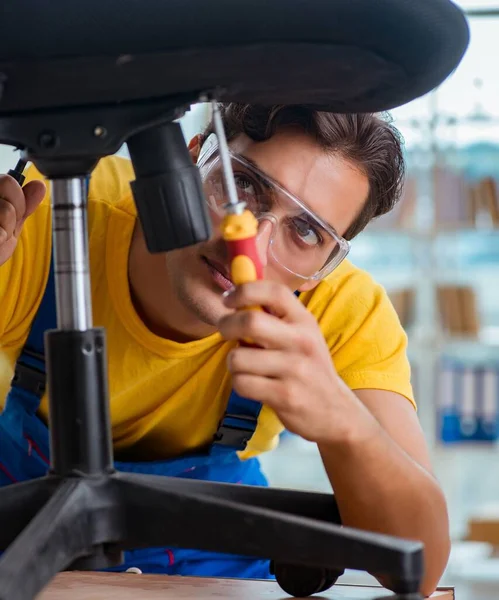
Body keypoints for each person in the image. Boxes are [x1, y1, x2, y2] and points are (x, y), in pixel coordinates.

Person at [0, 104, 449, 594]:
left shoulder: (339, 311)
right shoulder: (47, 215)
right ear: (193, 158)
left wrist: (347, 425)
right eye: (244, 186)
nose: (249, 247)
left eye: (305, 231)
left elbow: (421, 568)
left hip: (206, 557)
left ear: (328, 265)